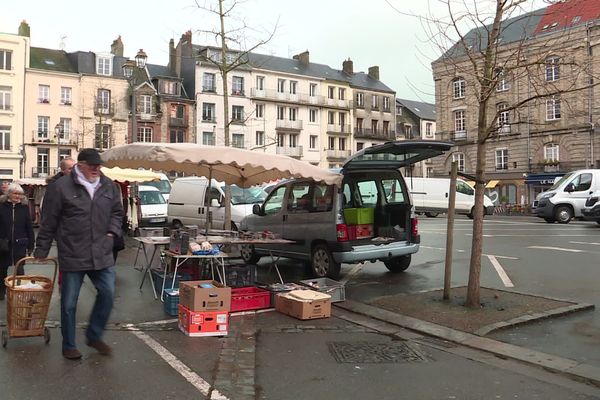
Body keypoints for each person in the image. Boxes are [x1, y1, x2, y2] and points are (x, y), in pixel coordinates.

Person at [34, 149, 123, 360]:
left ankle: (93, 335)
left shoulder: (108, 185)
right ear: (80, 165)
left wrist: (112, 232)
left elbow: (117, 212)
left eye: (98, 165)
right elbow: (49, 220)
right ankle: (69, 345)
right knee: (69, 303)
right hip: (73, 252)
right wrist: (41, 249)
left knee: (108, 294)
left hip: (101, 252)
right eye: (92, 165)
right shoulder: (60, 188)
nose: (96, 168)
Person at [0, 183, 35, 300]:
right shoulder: (2, 206)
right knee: (2, 269)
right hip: (4, 243)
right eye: (15, 193)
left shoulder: (24, 207)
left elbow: (29, 227)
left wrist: (31, 245)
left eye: (20, 194)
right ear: (9, 193)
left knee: (19, 269)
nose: (18, 196)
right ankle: (1, 292)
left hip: (20, 243)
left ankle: (20, 291)